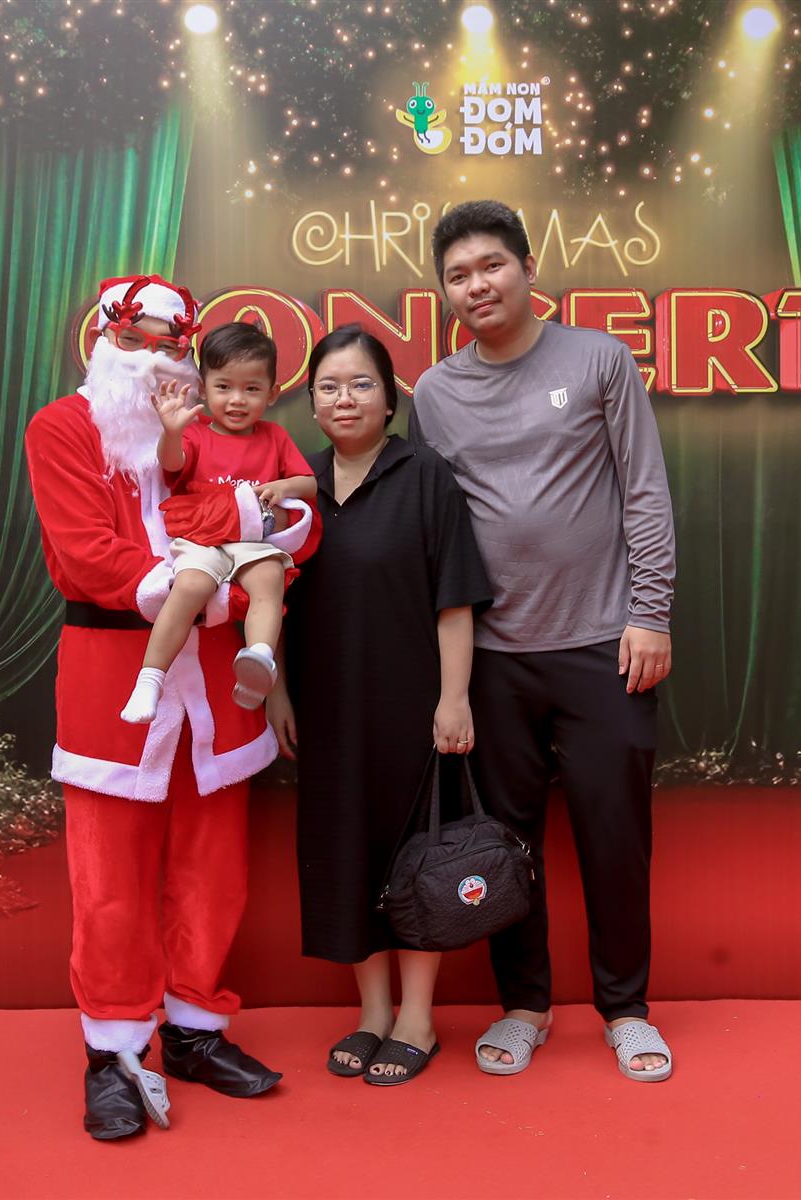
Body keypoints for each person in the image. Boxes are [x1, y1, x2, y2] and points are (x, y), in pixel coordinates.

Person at [24, 274, 317, 1141]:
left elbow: (271, 527)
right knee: (110, 880)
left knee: (213, 871)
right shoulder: (62, 427)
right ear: (103, 340)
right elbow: (86, 556)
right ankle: (114, 1052)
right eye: (136, 341)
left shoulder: (213, 432)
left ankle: (193, 1031)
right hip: (114, 680)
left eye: (171, 346)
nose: (154, 359)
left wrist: (256, 555)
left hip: (218, 685)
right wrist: (213, 587)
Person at [406, 201, 679, 1082]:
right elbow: (431, 527)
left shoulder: (599, 359)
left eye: (491, 265)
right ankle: (524, 1005)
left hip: (606, 643)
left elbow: (644, 492)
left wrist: (651, 613)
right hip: (492, 657)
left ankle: (626, 1010)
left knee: (614, 837)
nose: (476, 285)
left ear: (527, 268)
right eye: (457, 275)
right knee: (505, 844)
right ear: (444, 293)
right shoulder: (436, 393)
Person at [266, 324, 493, 1086]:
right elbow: (269, 600)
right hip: (328, 710)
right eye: (329, 386)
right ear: (310, 402)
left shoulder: (426, 477)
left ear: (390, 399)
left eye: (361, 384)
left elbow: (454, 601)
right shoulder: (297, 490)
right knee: (346, 853)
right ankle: (372, 1013)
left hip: (413, 708)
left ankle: (417, 1019)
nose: (345, 399)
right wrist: (278, 692)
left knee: (413, 857)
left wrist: (454, 700)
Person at [120, 322, 317, 724]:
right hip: (203, 539)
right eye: (224, 387)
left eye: (252, 389)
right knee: (189, 586)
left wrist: (282, 486)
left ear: (272, 393)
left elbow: (309, 483)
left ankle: (259, 657)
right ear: (203, 387)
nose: (237, 400)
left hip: (252, 542)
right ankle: (150, 678)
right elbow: (171, 465)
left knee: (269, 578)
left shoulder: (274, 436)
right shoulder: (196, 434)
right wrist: (171, 433)